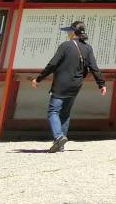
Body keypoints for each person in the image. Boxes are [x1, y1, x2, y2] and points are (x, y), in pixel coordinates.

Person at [31, 20, 106, 152]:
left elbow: (53, 64)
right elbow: (94, 67)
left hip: (61, 84)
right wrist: (101, 84)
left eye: (69, 32)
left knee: (53, 111)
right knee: (65, 113)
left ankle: (59, 137)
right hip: (76, 85)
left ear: (72, 33)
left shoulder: (66, 46)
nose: (68, 34)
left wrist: (39, 78)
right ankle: (61, 144)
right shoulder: (88, 48)